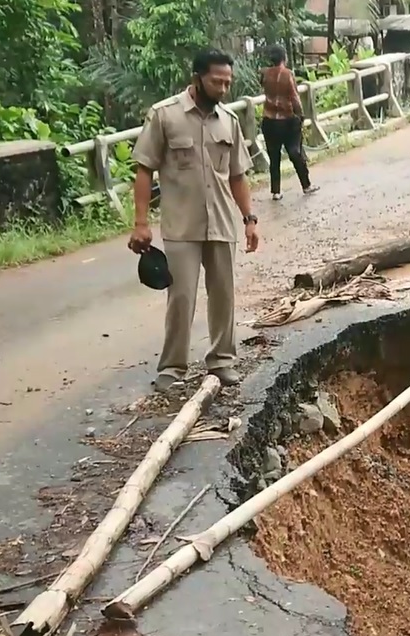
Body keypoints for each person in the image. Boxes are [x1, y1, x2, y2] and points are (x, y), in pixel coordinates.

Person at [129, 48, 259, 393]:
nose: (223, 88)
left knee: (224, 295)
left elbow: (237, 177)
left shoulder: (228, 121)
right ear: (197, 78)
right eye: (217, 81)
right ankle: (173, 367)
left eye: (228, 82)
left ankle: (221, 361)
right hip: (181, 225)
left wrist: (249, 218)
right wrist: (141, 223)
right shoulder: (165, 116)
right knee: (181, 297)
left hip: (221, 223)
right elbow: (144, 169)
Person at [259, 45, 319, 200]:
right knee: (294, 152)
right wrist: (300, 115)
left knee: (274, 156)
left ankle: (276, 191)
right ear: (284, 58)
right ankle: (306, 185)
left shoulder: (264, 74)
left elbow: (263, 87)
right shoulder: (287, 74)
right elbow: (294, 97)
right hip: (287, 120)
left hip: (269, 120)